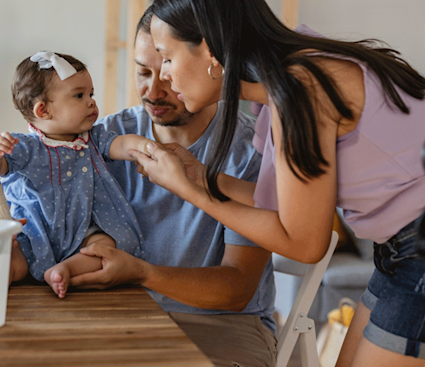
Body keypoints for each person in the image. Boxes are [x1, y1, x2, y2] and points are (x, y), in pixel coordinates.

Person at [129, 1, 425, 366]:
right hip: (399, 250)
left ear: (209, 49)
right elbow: (285, 206)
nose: (166, 77)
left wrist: (192, 193)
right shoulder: (290, 76)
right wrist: (198, 176)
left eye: (167, 58)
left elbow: (304, 243)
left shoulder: (301, 89)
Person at [70, 8, 277, 367]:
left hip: (221, 325)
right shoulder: (105, 138)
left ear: (207, 62)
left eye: (166, 68)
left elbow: (237, 290)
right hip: (118, 314)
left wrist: (141, 272)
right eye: (143, 71)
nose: (153, 90)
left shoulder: (251, 150)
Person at [0, 51, 154, 298]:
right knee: (14, 259)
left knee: (108, 245)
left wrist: (146, 148)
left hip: (83, 231)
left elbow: (122, 145)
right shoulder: (25, 147)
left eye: (91, 94)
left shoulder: (93, 139)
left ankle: (65, 269)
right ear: (43, 110)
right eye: (79, 95)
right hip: (34, 232)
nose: (91, 102)